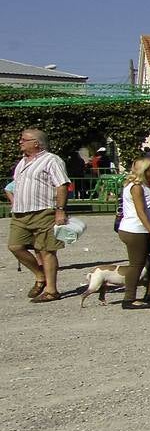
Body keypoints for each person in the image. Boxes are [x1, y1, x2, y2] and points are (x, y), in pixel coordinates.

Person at [9, 127, 70, 302]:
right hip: (20, 213)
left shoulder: (52, 160)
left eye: (24, 139)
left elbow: (62, 185)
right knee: (15, 246)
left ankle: (52, 290)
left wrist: (60, 210)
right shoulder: (22, 161)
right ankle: (40, 275)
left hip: (43, 211)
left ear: (36, 143)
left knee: (47, 250)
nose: (20, 142)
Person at [113, 155, 150, 309]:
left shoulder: (142, 185)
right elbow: (140, 212)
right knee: (137, 264)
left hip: (141, 229)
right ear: (147, 170)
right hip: (136, 230)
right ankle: (129, 298)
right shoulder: (136, 187)